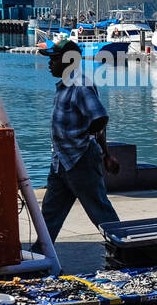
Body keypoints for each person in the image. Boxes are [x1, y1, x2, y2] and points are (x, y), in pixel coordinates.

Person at [38, 40, 120, 241]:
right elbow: (98, 121)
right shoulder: (64, 87)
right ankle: (41, 256)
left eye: (54, 59)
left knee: (100, 212)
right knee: (49, 214)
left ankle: (125, 249)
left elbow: (100, 118)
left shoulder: (80, 85)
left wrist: (89, 140)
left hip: (80, 159)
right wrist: (106, 152)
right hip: (61, 162)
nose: (50, 64)